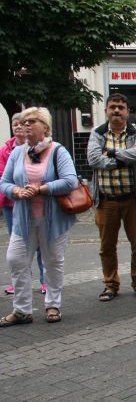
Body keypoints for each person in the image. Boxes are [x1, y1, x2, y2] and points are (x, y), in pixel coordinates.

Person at [0, 107, 78, 326]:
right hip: (23, 219)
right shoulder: (17, 153)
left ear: (45, 126)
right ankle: (22, 310)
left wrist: (41, 189)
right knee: (15, 260)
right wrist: (16, 191)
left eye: (31, 121)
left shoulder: (57, 151)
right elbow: (4, 182)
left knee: (52, 261)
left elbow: (70, 181)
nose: (25, 125)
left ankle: (53, 304)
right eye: (23, 122)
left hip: (53, 218)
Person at [87, 93, 136, 302]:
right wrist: (124, 158)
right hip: (106, 200)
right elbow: (94, 159)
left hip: (133, 199)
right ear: (106, 110)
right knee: (107, 247)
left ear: (127, 111)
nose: (116, 111)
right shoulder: (97, 133)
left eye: (120, 107)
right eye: (112, 107)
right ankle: (110, 285)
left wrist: (111, 154)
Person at [1, 112, 45, 296]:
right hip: (12, 204)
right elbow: (3, 175)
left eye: (22, 123)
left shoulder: (43, 148)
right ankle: (19, 284)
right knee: (18, 247)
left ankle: (45, 281)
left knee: (42, 246)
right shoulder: (6, 150)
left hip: (38, 204)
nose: (19, 126)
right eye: (15, 124)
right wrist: (17, 190)